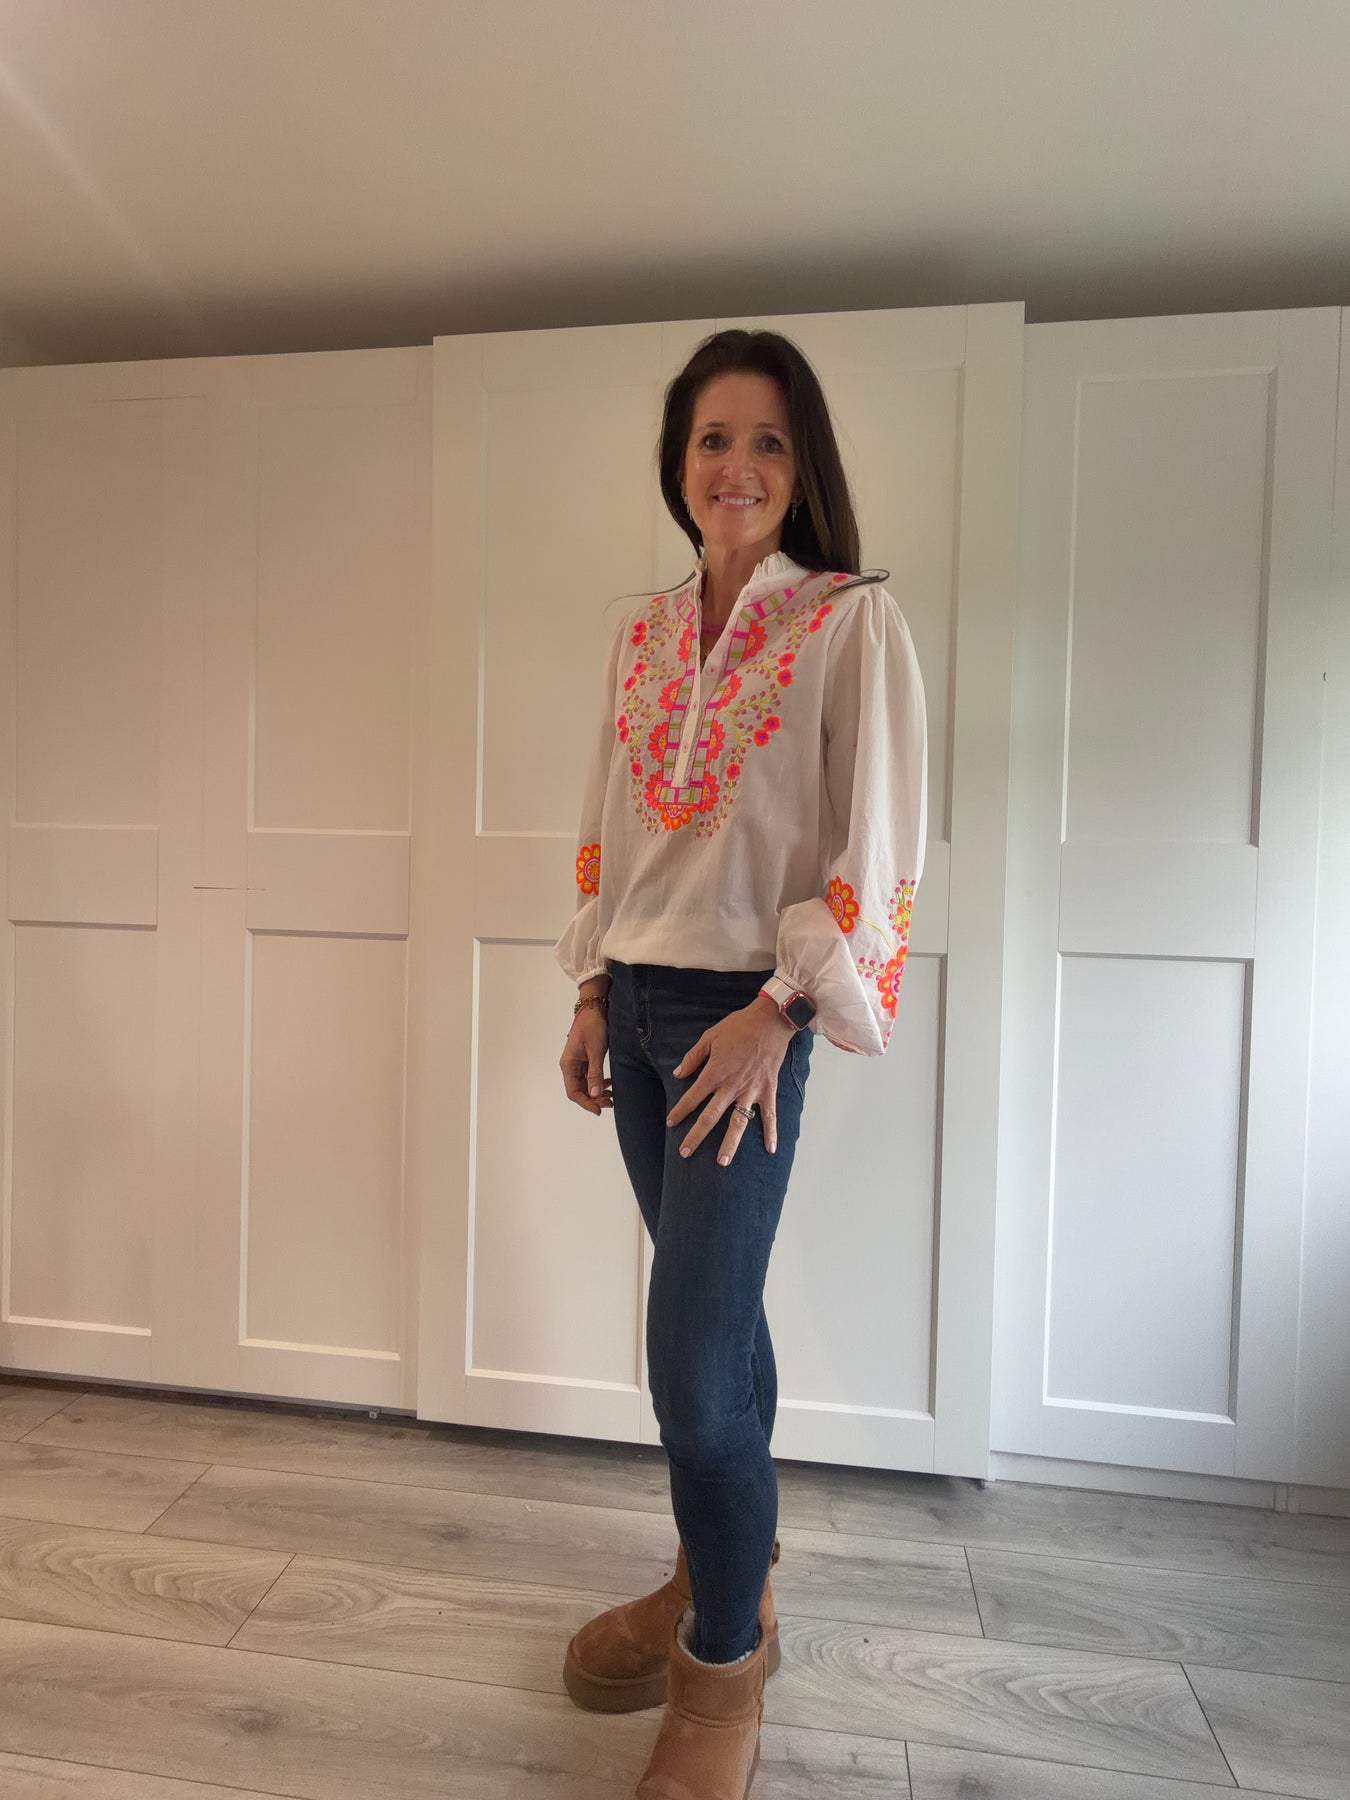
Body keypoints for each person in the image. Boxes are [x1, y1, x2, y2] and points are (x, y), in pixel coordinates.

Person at [554, 327, 928, 1799]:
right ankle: (728, 1571)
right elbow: (610, 815)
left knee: (693, 1369)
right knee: (715, 1330)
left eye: (769, 440)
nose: (737, 466)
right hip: (640, 1007)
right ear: (679, 459)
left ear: (802, 464)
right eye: (714, 437)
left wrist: (780, 1010)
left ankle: (721, 1667)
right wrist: (594, 983)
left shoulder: (846, 621)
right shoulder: (641, 631)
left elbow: (874, 842)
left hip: (739, 1021)